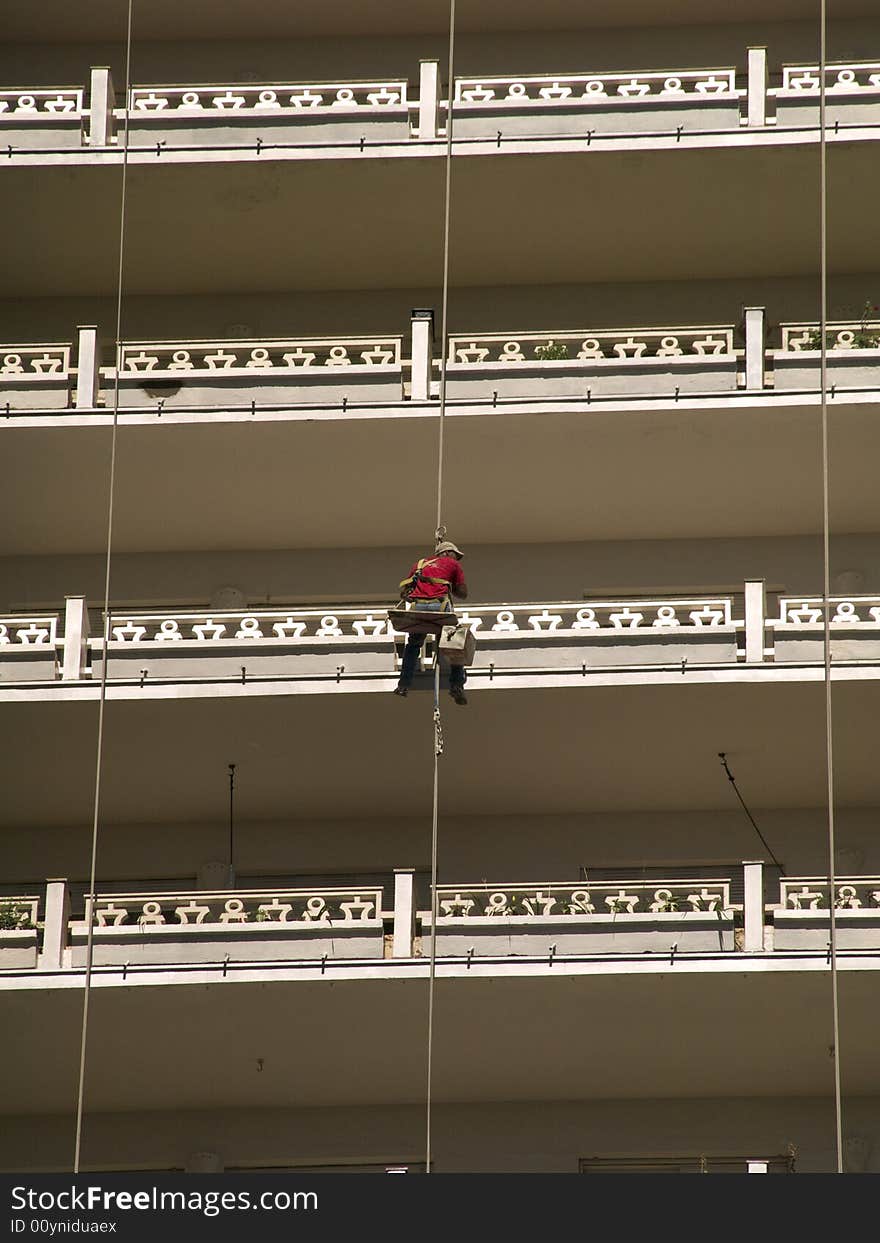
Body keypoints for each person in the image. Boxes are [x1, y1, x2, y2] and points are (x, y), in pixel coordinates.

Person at [393, 540, 469, 705]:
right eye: (455, 555)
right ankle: (456, 684)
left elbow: (405, 591)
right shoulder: (452, 564)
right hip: (439, 606)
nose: (456, 559)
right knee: (455, 645)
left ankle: (403, 685)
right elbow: (463, 593)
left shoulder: (419, 564)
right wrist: (449, 585)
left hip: (418, 608)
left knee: (413, 645)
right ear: (447, 553)